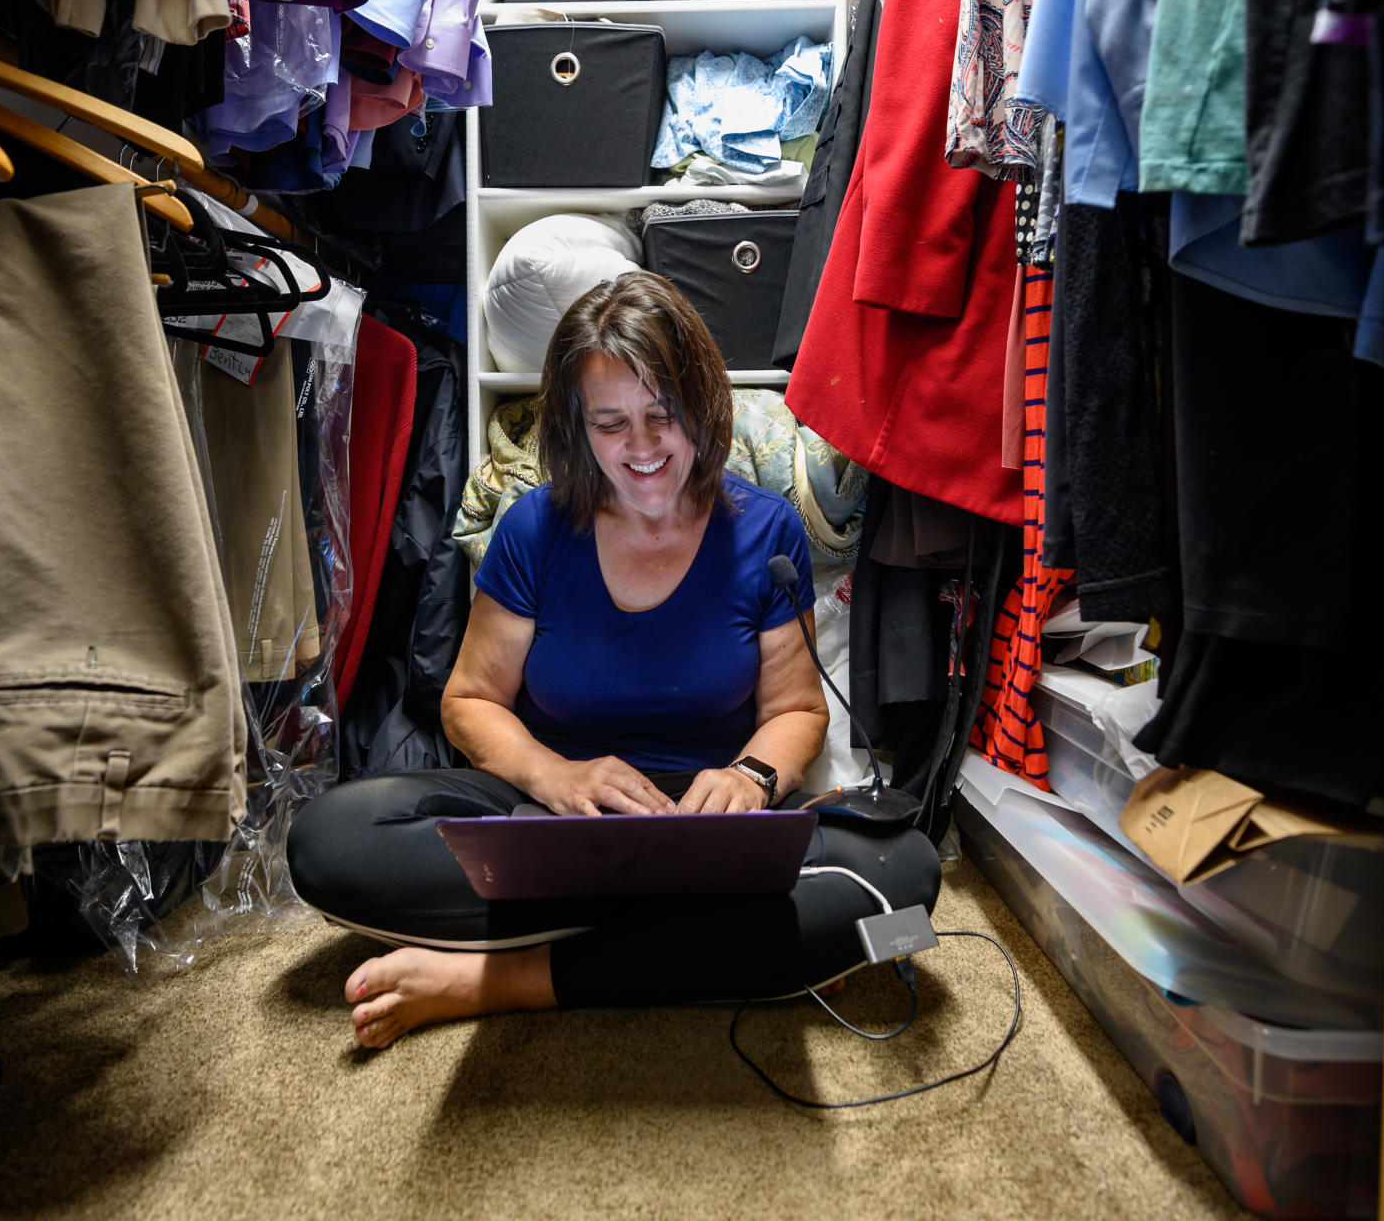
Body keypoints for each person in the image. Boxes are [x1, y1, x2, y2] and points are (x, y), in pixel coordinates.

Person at [286, 272, 940, 1048]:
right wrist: (555, 777)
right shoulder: (534, 528)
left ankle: (499, 977)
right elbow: (469, 702)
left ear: (702, 403)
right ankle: (734, 950)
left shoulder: (766, 533)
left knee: (908, 873)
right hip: (558, 823)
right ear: (577, 426)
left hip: (708, 833)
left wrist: (749, 778)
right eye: (609, 423)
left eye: (663, 414)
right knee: (329, 839)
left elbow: (797, 711)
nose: (642, 449)